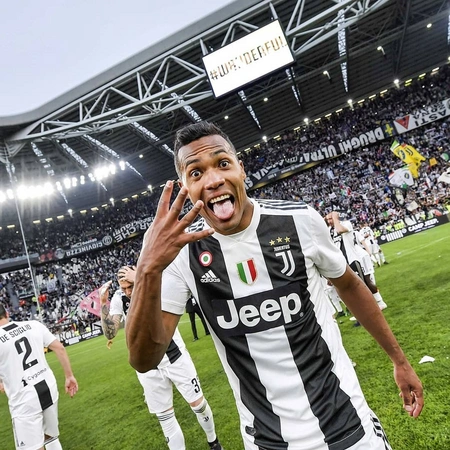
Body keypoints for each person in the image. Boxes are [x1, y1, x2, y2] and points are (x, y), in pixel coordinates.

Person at [126, 121, 424, 450]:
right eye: (196, 173)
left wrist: (399, 361)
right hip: (266, 440)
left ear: (241, 168)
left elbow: (350, 286)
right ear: (184, 186)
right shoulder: (182, 254)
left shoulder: (299, 220)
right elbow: (144, 359)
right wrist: (147, 269)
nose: (213, 180)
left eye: (223, 163)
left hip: (346, 424)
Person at [100, 265, 223, 450]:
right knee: (165, 418)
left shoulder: (155, 285)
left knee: (198, 405)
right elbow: (110, 333)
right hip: (147, 365)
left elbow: (158, 294)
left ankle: (213, 442)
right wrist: (103, 303)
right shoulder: (120, 298)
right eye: (123, 288)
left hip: (174, 356)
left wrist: (141, 279)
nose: (128, 292)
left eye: (131, 286)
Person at [0, 303, 78, 450]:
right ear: (7, 314)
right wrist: (69, 376)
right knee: (50, 437)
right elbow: (59, 348)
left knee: (33, 447)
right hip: (48, 388)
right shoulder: (33, 324)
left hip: (24, 398)